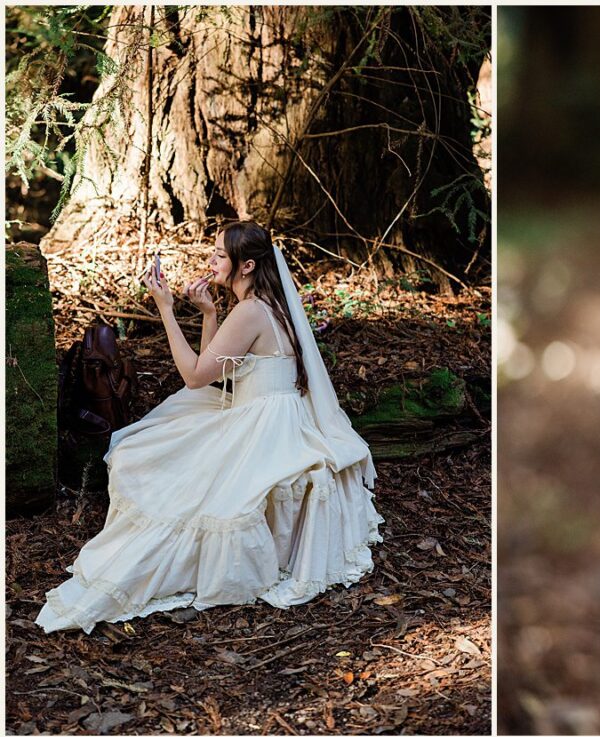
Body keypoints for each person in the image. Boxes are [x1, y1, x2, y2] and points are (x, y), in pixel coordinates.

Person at [36, 221, 383, 633]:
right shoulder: (269, 304)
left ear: (247, 265)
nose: (211, 261)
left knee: (154, 462)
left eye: (220, 255)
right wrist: (209, 314)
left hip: (262, 422)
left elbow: (196, 377)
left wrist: (166, 309)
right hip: (272, 410)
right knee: (155, 446)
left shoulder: (251, 310)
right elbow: (223, 368)